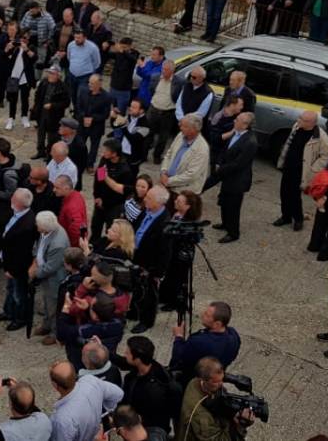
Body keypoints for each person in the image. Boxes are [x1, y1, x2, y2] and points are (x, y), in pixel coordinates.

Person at [204, 113, 258, 244]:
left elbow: (238, 164)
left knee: (233, 206)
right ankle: (225, 223)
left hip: (237, 179)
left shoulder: (250, 142)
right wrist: (219, 162)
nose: (235, 121)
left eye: (238, 120)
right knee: (224, 200)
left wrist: (220, 169)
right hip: (227, 173)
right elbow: (225, 150)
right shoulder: (236, 133)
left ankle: (233, 232)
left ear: (245, 124)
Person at [274, 111, 328, 231]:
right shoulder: (297, 126)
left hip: (302, 171)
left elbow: (327, 155)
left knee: (294, 196)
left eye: (302, 119)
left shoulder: (320, 137)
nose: (298, 120)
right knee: (284, 192)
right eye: (299, 117)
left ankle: (298, 219)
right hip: (288, 166)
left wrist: (314, 169)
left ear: (310, 123)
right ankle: (286, 217)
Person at [0, 188, 37, 331]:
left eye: (13, 198)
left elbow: (22, 254)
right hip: (9, 263)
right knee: (10, 290)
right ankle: (9, 312)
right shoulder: (18, 214)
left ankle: (20, 318)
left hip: (17, 268)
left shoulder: (27, 225)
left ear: (19, 203)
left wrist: (12, 270)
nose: (11, 199)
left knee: (19, 293)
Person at [177, 358, 255, 441]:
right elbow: (219, 439)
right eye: (216, 382)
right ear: (204, 380)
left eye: (222, 379)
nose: (221, 384)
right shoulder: (200, 416)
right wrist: (240, 426)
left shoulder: (196, 381)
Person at [129, 186, 171, 333]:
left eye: (149, 198)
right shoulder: (146, 210)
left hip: (150, 265)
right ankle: (134, 311)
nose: (145, 199)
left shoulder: (165, 222)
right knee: (136, 287)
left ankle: (146, 321)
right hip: (137, 257)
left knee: (149, 294)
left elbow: (165, 252)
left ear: (159, 203)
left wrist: (158, 273)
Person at [48, 360, 124, 441]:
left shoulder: (60, 420)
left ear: (55, 385)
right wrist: (107, 413)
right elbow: (118, 394)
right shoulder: (90, 380)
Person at [118, 336, 178, 436]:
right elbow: (122, 362)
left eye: (127, 353)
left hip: (147, 430)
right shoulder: (150, 366)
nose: (125, 354)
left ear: (137, 359)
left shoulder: (154, 390)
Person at [170, 301, 241, 384]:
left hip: (192, 381)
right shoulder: (233, 335)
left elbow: (179, 358)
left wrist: (179, 337)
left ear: (217, 324)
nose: (202, 314)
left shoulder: (199, 342)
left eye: (207, 315)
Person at [29, 211, 70, 345]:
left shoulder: (58, 243)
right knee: (47, 303)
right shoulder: (47, 231)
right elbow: (39, 245)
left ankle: (55, 333)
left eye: (38, 225)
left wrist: (35, 273)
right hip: (46, 275)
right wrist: (35, 261)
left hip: (54, 280)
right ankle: (46, 326)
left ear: (45, 228)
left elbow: (51, 267)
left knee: (54, 307)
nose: (36, 227)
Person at [91, 139, 134, 241]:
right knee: (95, 227)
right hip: (100, 202)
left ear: (114, 154)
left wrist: (105, 201)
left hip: (114, 206)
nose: (103, 152)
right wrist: (97, 196)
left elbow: (121, 193)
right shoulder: (104, 160)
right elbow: (99, 180)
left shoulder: (125, 170)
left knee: (111, 230)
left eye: (106, 150)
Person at [160, 114, 210, 194]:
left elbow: (191, 175)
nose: (181, 128)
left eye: (184, 126)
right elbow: (169, 154)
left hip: (184, 192)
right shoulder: (180, 136)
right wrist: (163, 171)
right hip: (167, 183)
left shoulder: (202, 149)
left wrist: (168, 181)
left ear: (194, 129)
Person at [32, 65, 70, 159]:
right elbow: (37, 94)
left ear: (58, 75)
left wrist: (52, 105)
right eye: (49, 73)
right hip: (42, 113)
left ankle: (50, 154)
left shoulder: (63, 87)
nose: (50, 75)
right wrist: (36, 106)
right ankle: (40, 151)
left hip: (54, 116)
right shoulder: (44, 82)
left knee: (52, 137)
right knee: (40, 134)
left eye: (52, 74)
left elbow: (66, 103)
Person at [77, 74, 113, 170]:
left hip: (96, 126)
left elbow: (105, 114)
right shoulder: (83, 91)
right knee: (80, 144)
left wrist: (92, 118)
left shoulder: (106, 97)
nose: (90, 85)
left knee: (94, 147)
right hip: (83, 124)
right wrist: (83, 117)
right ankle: (79, 162)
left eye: (92, 83)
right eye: (89, 82)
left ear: (99, 84)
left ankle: (90, 164)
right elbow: (79, 107)